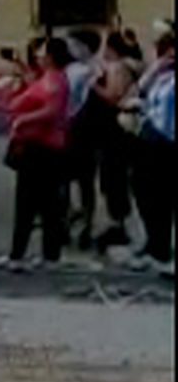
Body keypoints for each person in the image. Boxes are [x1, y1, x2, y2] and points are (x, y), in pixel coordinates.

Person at [0, 37, 71, 272]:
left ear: (51, 56)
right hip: (35, 144)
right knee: (44, 203)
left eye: (42, 52)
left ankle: (21, 254)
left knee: (31, 201)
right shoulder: (45, 78)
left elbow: (52, 110)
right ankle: (47, 254)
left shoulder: (55, 81)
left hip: (42, 147)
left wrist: (23, 119)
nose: (38, 55)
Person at [125, 24, 174, 276]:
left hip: (167, 143)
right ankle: (155, 244)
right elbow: (137, 91)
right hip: (148, 140)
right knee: (144, 193)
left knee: (163, 198)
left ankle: (163, 249)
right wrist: (156, 68)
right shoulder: (162, 76)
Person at [86, 31, 137, 252]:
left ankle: (118, 222)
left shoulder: (119, 67)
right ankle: (116, 220)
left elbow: (113, 96)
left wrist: (94, 85)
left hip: (113, 131)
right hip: (107, 131)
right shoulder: (119, 66)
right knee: (110, 177)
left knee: (113, 176)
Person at [63, 28, 103, 250]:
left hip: (78, 129)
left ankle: (75, 223)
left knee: (74, 181)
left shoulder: (82, 70)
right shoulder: (94, 69)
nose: (70, 49)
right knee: (83, 182)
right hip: (85, 131)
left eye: (73, 44)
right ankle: (82, 223)